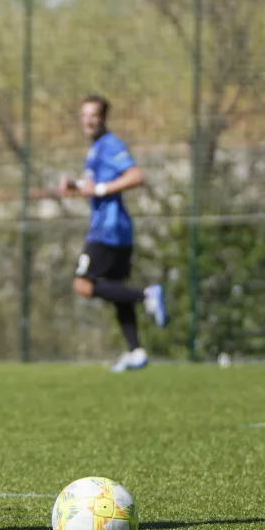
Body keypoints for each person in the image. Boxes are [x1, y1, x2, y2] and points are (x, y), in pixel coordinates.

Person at [59, 95, 168, 372]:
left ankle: (147, 295)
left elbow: (136, 176)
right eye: (84, 115)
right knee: (118, 292)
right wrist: (77, 185)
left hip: (108, 229)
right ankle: (136, 351)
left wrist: (98, 190)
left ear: (104, 118)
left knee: (83, 284)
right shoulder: (96, 149)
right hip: (117, 230)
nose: (88, 121)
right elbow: (95, 184)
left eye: (93, 115)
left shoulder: (110, 145)